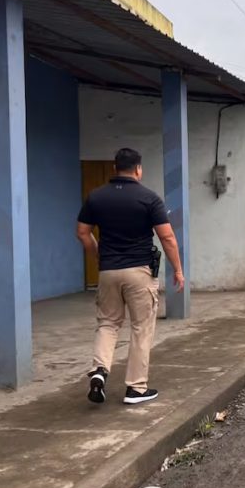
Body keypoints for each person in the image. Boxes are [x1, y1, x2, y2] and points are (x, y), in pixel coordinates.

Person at [77, 148, 185, 405]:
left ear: (115, 168)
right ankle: (136, 388)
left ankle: (100, 371)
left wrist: (98, 256)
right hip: (139, 272)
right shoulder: (148, 198)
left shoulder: (96, 197)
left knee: (108, 323)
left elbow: (82, 232)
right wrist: (178, 270)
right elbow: (167, 237)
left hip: (108, 271)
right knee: (141, 328)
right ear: (138, 169)